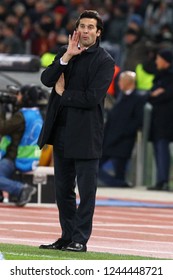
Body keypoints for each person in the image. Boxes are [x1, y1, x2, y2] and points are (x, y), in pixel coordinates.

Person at [38, 10, 114, 252]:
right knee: (62, 191)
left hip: (86, 135)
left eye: (91, 27)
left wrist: (64, 95)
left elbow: (92, 98)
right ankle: (67, 236)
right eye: (82, 26)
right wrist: (66, 57)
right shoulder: (65, 52)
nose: (85, 31)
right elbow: (46, 79)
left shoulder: (104, 61)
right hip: (60, 132)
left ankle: (80, 239)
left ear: (98, 32)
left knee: (86, 192)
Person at [98, 71, 145, 187]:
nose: (118, 83)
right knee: (95, 167)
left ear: (128, 82)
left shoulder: (138, 98)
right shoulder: (121, 96)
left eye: (120, 80)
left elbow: (138, 120)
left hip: (123, 141)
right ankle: (119, 183)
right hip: (110, 139)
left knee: (120, 172)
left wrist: (123, 133)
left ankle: (120, 183)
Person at [0, 85, 44, 206]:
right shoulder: (36, 114)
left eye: (19, 94)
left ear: (25, 98)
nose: (17, 97)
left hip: (15, 158)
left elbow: (2, 128)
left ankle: (21, 189)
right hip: (29, 158)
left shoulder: (22, 116)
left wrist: (2, 109)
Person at [147, 48, 173, 191]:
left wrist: (157, 95)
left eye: (158, 58)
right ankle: (160, 180)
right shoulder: (160, 76)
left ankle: (163, 181)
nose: (157, 61)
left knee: (162, 149)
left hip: (167, 120)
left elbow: (166, 95)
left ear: (165, 61)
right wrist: (154, 95)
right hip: (158, 119)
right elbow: (151, 96)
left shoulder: (169, 77)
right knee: (158, 148)